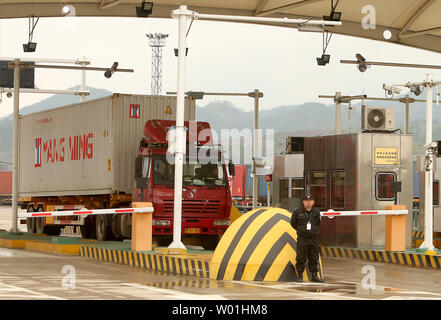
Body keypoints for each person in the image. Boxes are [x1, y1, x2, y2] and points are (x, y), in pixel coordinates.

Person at [290, 194, 324, 283]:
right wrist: (301, 230)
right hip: (302, 238)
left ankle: (314, 276)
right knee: (301, 257)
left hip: (313, 238)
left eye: (310, 201)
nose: (308, 203)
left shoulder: (316, 211)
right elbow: (293, 223)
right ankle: (300, 276)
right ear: (303, 202)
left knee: (314, 257)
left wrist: (313, 230)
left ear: (313, 202)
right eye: (306, 201)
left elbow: (318, 222)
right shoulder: (297, 212)